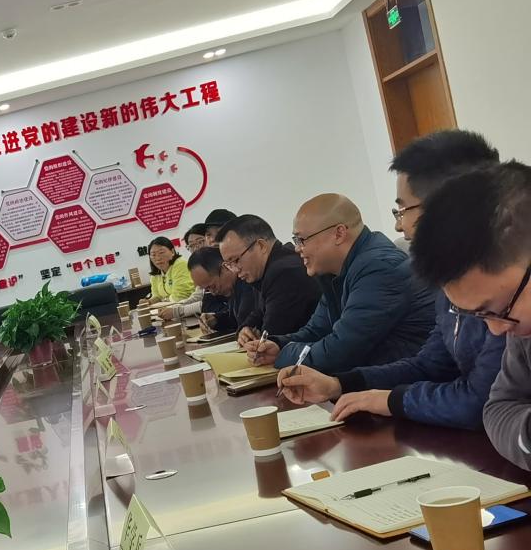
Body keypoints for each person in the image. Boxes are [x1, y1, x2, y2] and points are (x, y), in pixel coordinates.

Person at [278, 130, 504, 429]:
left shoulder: (505, 287)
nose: (399, 226)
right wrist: (338, 384)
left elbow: (480, 402)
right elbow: (429, 365)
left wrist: (388, 400)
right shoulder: (450, 280)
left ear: (446, 208)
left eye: (403, 210)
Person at [410, 161, 531, 468]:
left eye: (499, 310)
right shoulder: (520, 326)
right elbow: (498, 407)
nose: (496, 330)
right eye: (481, 315)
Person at [245, 194, 437, 373]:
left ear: (338, 234)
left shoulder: (378, 268)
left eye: (301, 240)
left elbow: (339, 352)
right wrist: (277, 344)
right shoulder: (334, 271)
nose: (297, 249)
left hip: (404, 384)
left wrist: (283, 354)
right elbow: (316, 330)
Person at [215, 215, 319, 343]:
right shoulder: (265, 269)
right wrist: (245, 329)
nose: (235, 270)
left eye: (236, 260)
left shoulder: (284, 272)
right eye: (229, 264)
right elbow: (259, 311)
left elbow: (268, 341)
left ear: (261, 246)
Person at [162, 247, 259, 335]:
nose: (213, 292)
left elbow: (244, 322)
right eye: (207, 289)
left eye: (213, 286)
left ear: (225, 268)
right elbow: (234, 319)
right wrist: (216, 319)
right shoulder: (233, 287)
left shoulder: (248, 284)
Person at [147, 237, 196, 302]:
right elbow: (156, 296)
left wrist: (163, 300)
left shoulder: (180, 264)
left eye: (161, 252)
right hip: (170, 307)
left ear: (172, 252)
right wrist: (148, 302)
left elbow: (182, 295)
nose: (158, 258)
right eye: (153, 255)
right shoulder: (156, 273)